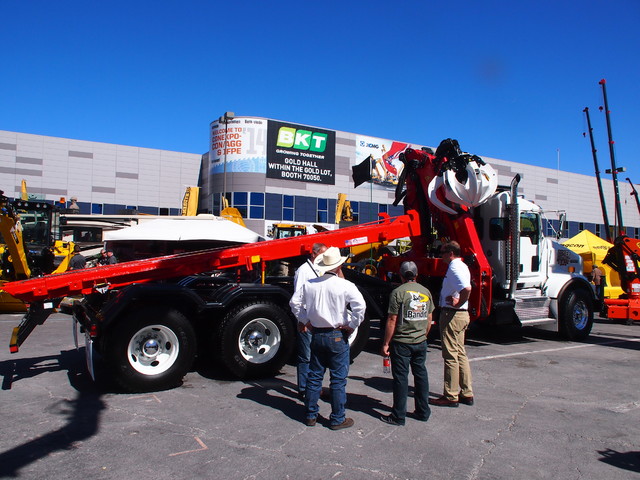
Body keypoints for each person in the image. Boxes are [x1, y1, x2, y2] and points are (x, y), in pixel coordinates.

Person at [289, 246, 366, 430]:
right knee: (338, 379)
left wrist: (305, 320)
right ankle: (337, 418)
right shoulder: (346, 285)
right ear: (339, 266)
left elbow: (294, 303)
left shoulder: (310, 284)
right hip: (337, 334)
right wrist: (352, 325)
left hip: (317, 334)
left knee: (315, 376)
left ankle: (310, 415)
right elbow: (360, 307)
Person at [380, 261, 435, 426]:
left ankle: (398, 415)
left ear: (401, 275)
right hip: (420, 341)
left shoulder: (398, 292)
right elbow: (430, 317)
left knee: (401, 378)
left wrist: (385, 343)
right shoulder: (425, 291)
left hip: (402, 342)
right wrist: (423, 335)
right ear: (416, 275)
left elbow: (392, 319)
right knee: (420, 375)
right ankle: (423, 411)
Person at [430, 241, 474, 407]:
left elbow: (466, 289)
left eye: (442, 252)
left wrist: (458, 302)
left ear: (450, 253)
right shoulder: (461, 266)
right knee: (460, 353)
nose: (440, 255)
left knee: (450, 356)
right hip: (460, 315)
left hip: (453, 314)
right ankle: (466, 392)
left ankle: (450, 395)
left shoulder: (455, 267)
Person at [293, 242, 327, 400]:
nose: (325, 257)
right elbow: (297, 299)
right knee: (306, 355)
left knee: (317, 356)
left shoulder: (321, 269)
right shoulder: (304, 271)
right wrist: (302, 320)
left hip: (318, 320)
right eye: (322, 253)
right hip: (307, 319)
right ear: (313, 254)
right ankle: (304, 389)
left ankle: (314, 387)